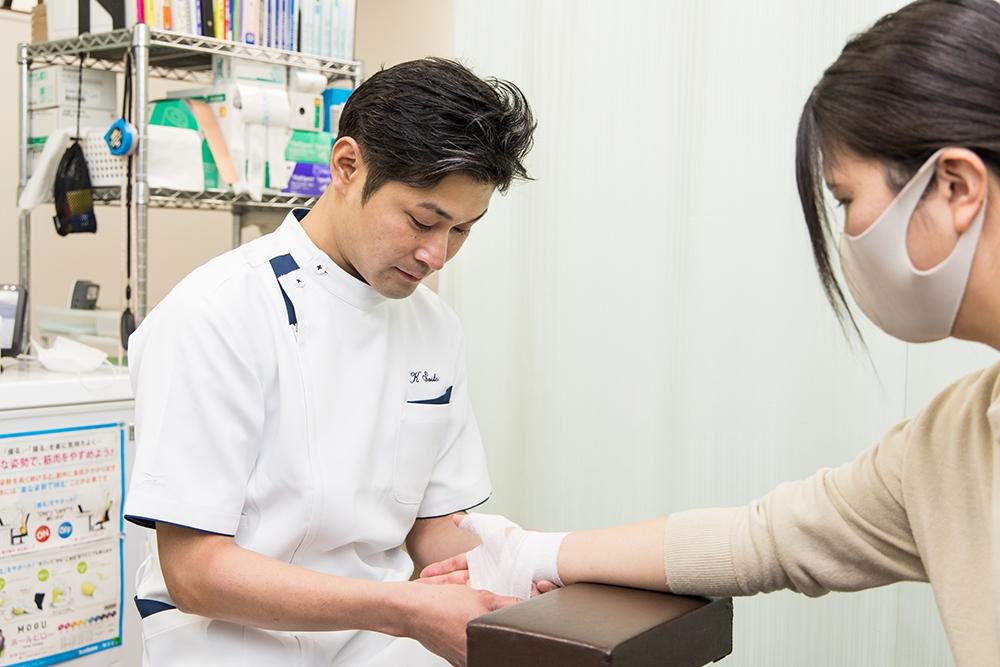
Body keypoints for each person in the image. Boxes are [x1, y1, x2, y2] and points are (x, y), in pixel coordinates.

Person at [418, 1, 1000, 664]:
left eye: (844, 198)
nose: (844, 235)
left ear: (956, 187)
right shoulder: (953, 441)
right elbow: (764, 538)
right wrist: (526, 554)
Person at [122, 58, 536, 667]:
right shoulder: (217, 312)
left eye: (462, 231)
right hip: (233, 642)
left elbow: (434, 526)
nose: (437, 255)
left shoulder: (433, 326)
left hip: (380, 640)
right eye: (423, 221)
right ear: (347, 166)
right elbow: (195, 573)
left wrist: (523, 574)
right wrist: (404, 608)